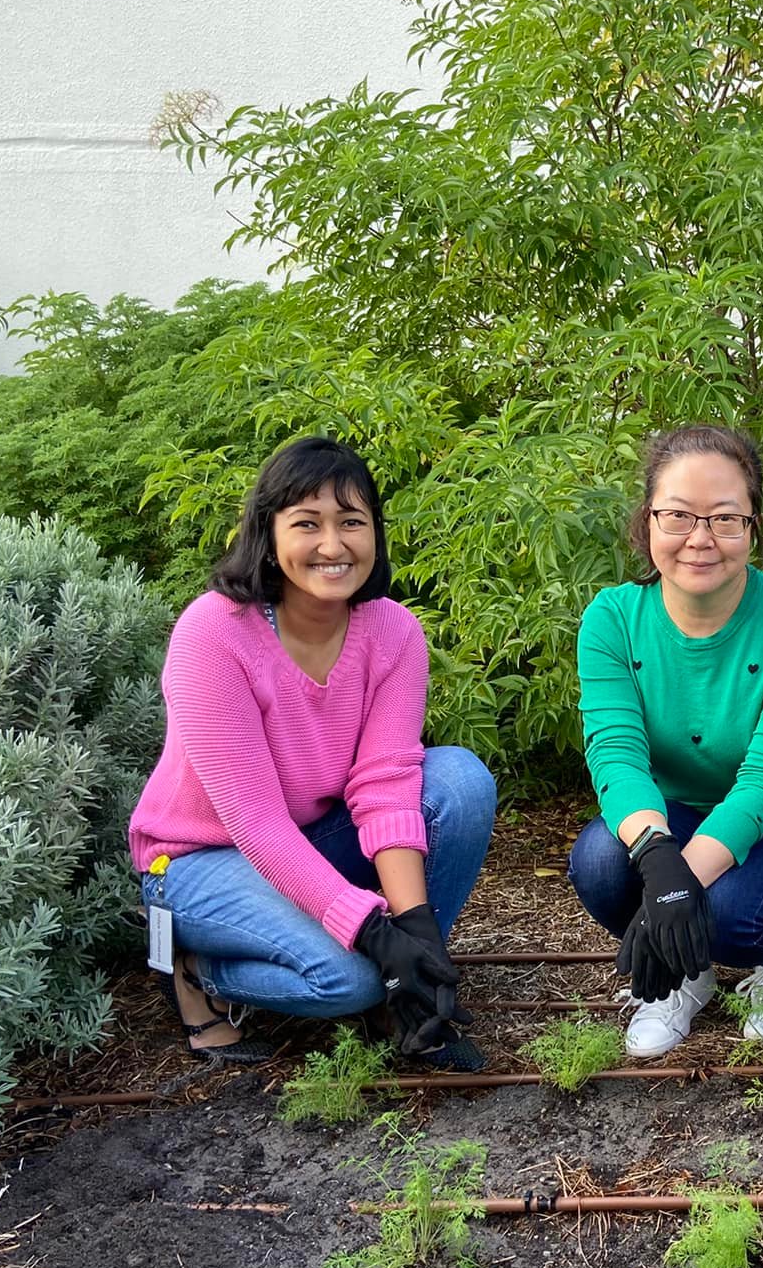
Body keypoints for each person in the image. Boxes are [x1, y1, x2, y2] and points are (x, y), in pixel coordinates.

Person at [129, 435, 496, 1070]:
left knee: (458, 780)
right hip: (197, 861)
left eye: (352, 521)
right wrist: (371, 933)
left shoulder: (392, 630)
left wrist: (415, 930)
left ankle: (404, 992)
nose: (333, 545)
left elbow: (385, 783)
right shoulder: (214, 631)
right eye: (307, 523)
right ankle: (196, 969)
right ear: (267, 534)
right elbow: (256, 822)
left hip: (310, 838)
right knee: (345, 980)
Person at [569, 425, 763, 1058]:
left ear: (753, 527)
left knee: (728, 912)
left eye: (725, 519)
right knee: (598, 864)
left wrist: (680, 887)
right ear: (647, 523)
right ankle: (684, 972)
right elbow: (615, 751)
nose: (700, 539)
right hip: (674, 810)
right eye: (678, 516)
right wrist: (659, 860)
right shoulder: (612, 619)